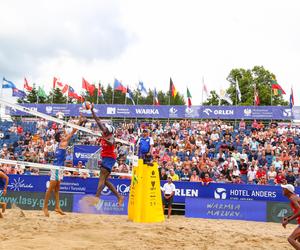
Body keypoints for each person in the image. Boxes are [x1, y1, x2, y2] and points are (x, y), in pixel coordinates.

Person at [43, 116, 85, 217]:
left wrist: (76, 123)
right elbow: (73, 131)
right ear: (60, 138)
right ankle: (45, 207)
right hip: (56, 168)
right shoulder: (62, 143)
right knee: (51, 188)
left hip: (60, 168)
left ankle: (57, 207)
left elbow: (70, 132)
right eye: (62, 135)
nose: (63, 135)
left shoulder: (60, 144)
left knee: (57, 189)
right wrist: (79, 121)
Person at [91, 104, 124, 207]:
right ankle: (119, 197)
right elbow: (97, 121)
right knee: (105, 181)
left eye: (106, 129)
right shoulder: (105, 133)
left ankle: (96, 198)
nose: (104, 129)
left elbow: (111, 143)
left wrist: (103, 138)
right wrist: (92, 110)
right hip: (107, 158)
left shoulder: (111, 137)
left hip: (109, 159)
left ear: (109, 132)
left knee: (102, 178)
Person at [281, 184, 300, 249]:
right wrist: (289, 217)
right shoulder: (294, 197)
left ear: (288, 190)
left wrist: (288, 220)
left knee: (291, 239)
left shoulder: (292, 198)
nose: (282, 190)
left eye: (284, 188)